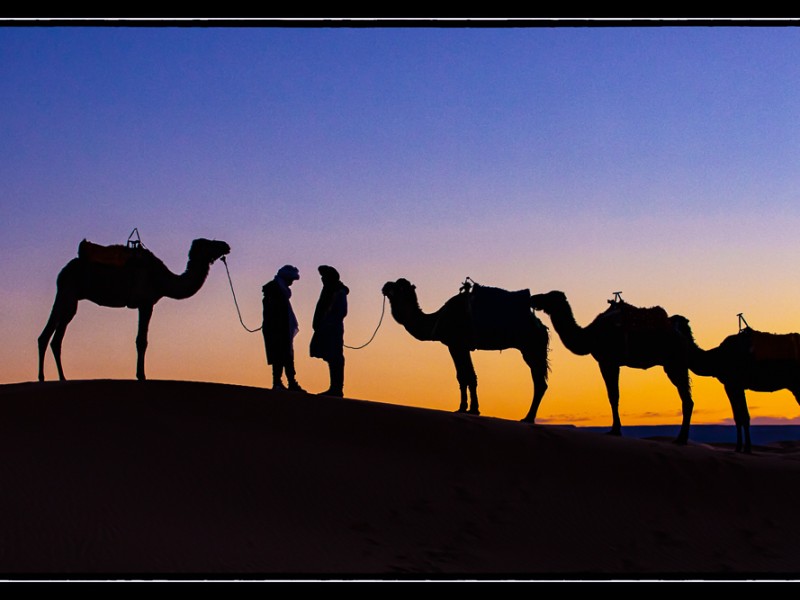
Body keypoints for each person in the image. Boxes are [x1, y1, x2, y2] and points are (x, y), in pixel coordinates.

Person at [262, 265, 304, 392]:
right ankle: (279, 382)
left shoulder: (279, 290)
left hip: (282, 327)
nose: (292, 283)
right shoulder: (274, 291)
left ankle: (289, 382)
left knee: (286, 355)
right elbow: (272, 311)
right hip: (276, 327)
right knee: (280, 355)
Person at [309, 265, 349, 397]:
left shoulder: (338, 291)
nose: (322, 279)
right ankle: (334, 388)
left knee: (335, 357)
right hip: (326, 327)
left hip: (332, 328)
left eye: (324, 277)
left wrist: (329, 323)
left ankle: (336, 388)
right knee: (331, 356)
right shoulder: (330, 290)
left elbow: (341, 311)